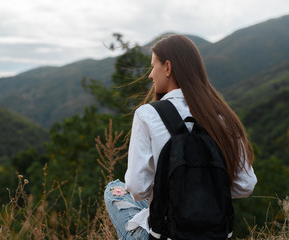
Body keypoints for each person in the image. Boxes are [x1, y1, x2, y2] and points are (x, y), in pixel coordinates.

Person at [104, 34, 257, 240]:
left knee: (114, 188)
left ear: (167, 68)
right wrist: (201, 192)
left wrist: (175, 193)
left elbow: (137, 188)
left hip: (168, 234)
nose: (150, 75)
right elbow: (245, 185)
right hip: (216, 235)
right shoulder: (222, 116)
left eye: (153, 66)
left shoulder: (147, 114)